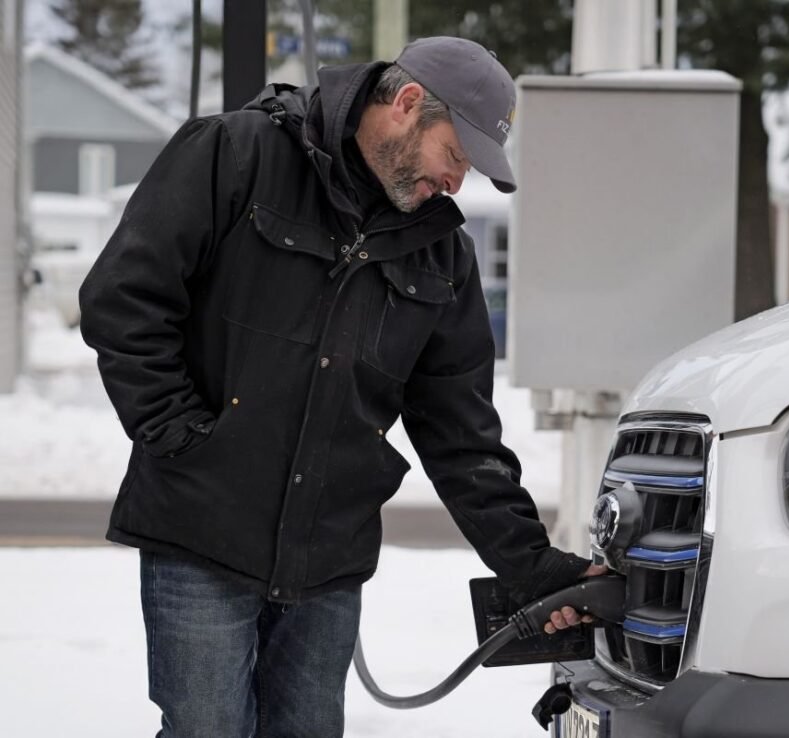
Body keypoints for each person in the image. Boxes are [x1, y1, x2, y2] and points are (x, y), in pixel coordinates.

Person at [79, 36, 602, 737]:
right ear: (409, 104)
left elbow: (461, 434)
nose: (457, 183)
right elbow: (124, 300)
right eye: (456, 155)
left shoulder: (442, 256)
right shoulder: (238, 154)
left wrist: (535, 566)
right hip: (199, 535)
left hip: (326, 564)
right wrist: (183, 440)